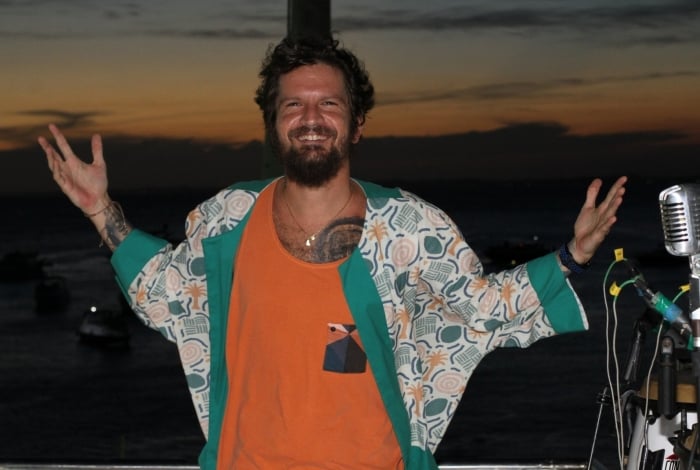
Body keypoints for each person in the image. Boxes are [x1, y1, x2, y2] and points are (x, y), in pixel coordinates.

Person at [38, 36, 627, 470]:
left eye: (329, 104)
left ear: (357, 123)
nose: (311, 119)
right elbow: (165, 290)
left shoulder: (410, 227)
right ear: (273, 123)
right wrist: (98, 208)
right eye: (293, 105)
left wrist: (571, 256)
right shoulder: (227, 219)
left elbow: (480, 309)